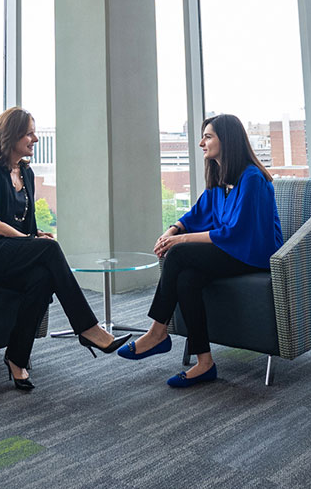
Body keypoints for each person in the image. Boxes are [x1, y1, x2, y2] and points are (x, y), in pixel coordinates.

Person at [0, 107, 130, 391]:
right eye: (29, 132)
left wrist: (34, 235)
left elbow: (25, 224)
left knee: (42, 278)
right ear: (12, 135)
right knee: (49, 250)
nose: (35, 138)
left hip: (3, 248)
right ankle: (89, 329)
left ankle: (16, 358)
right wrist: (31, 241)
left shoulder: (26, 173)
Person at [117, 113, 283, 388]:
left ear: (226, 140)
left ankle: (157, 331)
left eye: (208, 137)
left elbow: (237, 232)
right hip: (231, 252)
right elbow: (198, 213)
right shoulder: (221, 176)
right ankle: (205, 363)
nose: (201, 143)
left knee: (179, 254)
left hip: (253, 253)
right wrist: (172, 230)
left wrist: (180, 242)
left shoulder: (252, 178)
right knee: (187, 278)